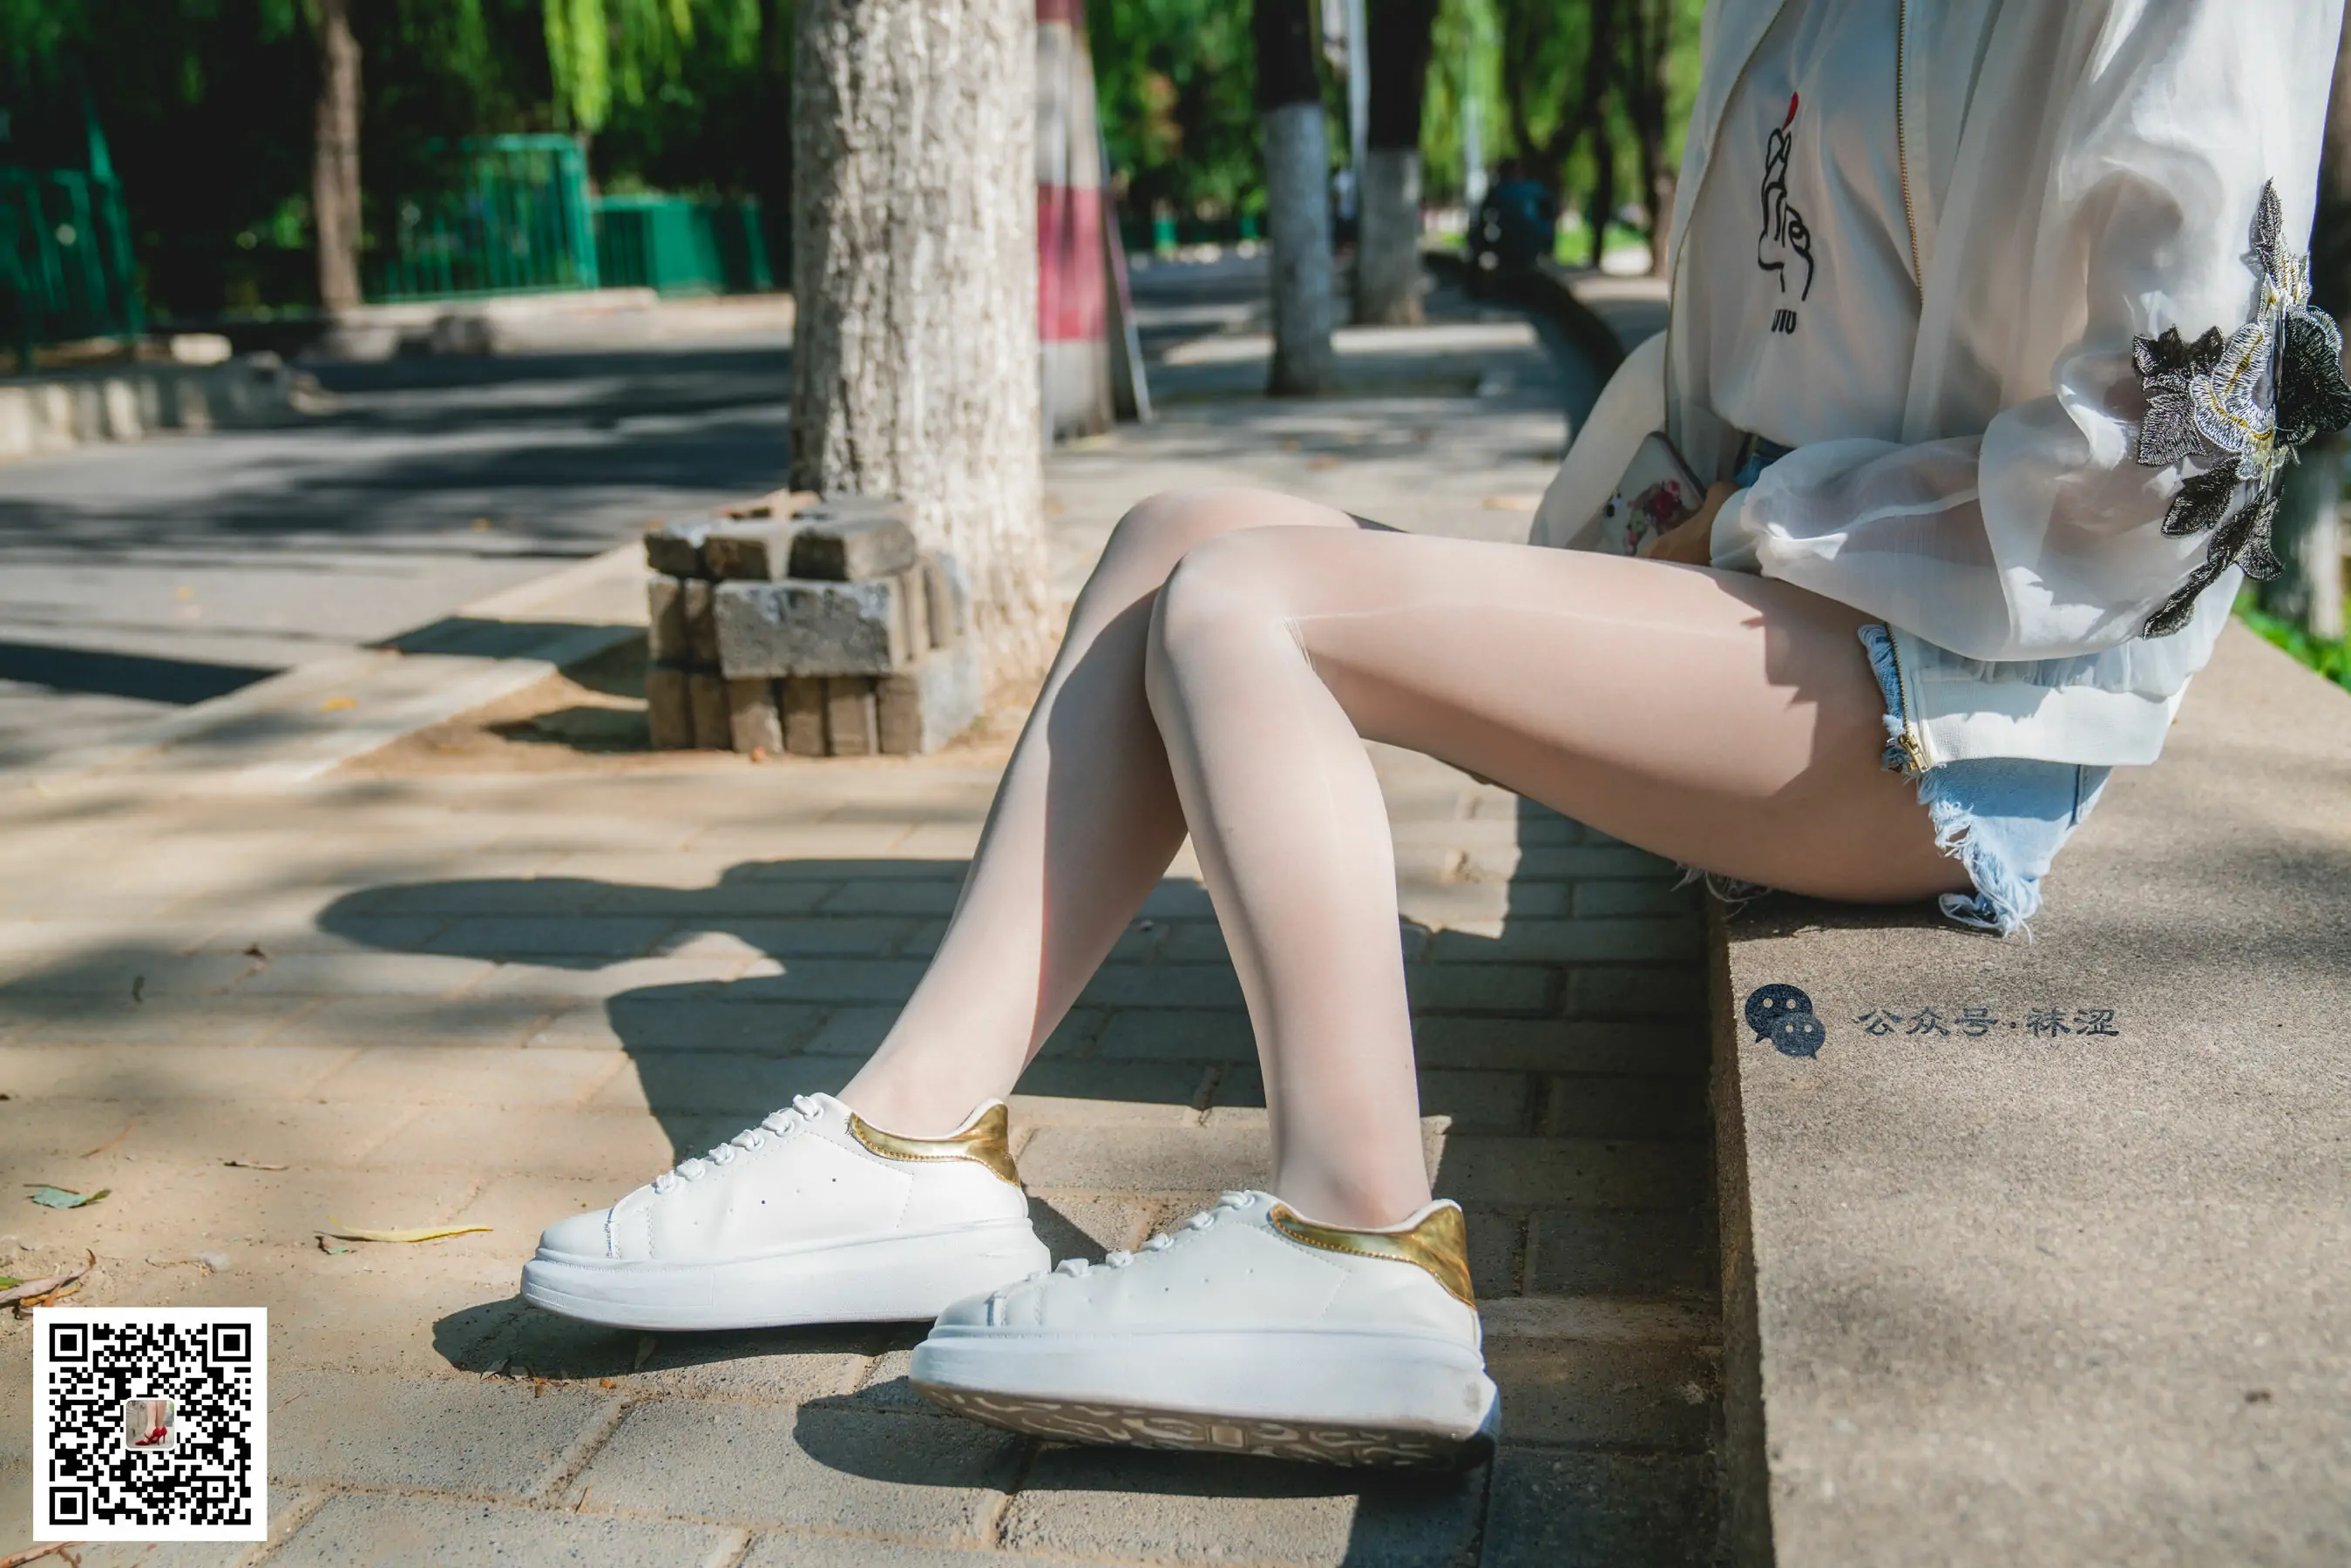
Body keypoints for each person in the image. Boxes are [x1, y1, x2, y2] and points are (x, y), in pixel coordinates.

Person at [521, 0, 2348, 1469]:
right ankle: (909, 1149)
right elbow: (1750, 355)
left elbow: (2160, 463)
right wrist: (1677, 536)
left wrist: (1738, 530)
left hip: (1962, 692)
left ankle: (1354, 1245)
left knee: (1253, 609)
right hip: (1800, 605)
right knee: (1176, 539)